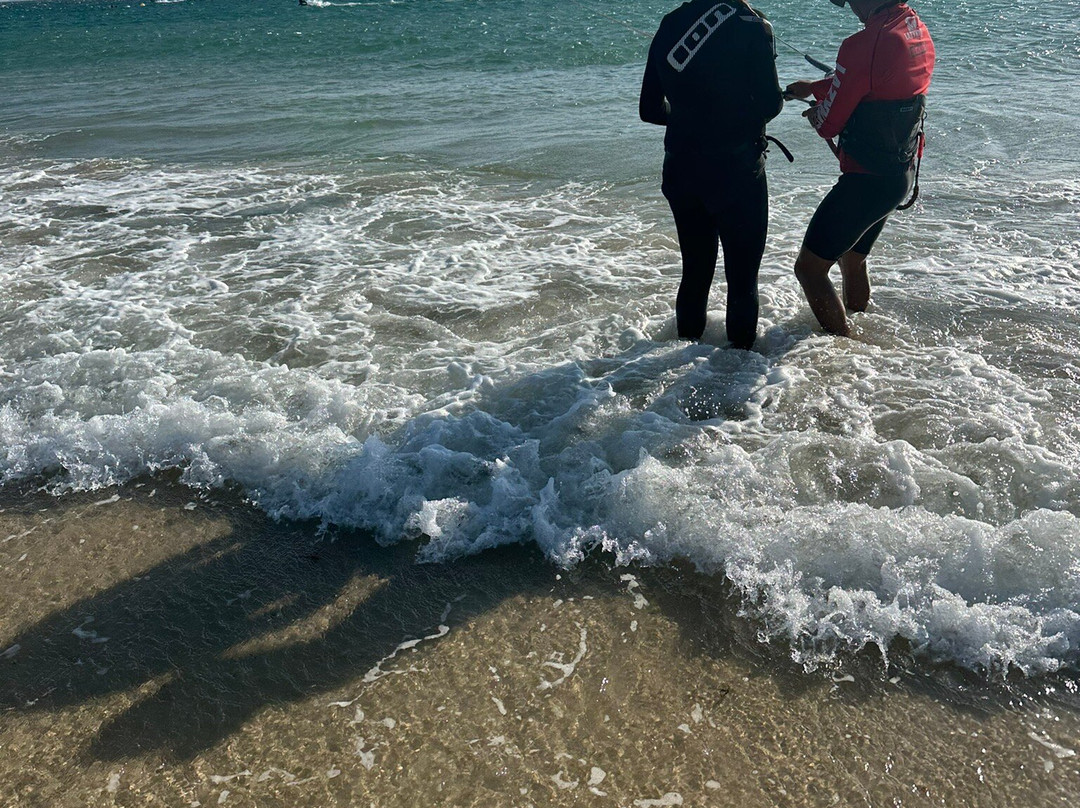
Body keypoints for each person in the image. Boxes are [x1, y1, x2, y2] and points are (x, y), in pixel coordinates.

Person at [639, 0, 784, 350]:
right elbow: (771, 104)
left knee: (695, 273)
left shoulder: (670, 21)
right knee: (742, 281)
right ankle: (734, 382)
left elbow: (649, 109)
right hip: (736, 172)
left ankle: (680, 363)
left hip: (681, 169)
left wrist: (693, 117)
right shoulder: (753, 23)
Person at [785, 0, 935, 336]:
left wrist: (815, 113)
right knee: (853, 258)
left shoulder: (861, 44)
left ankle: (847, 348)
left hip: (868, 180)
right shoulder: (914, 28)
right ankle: (863, 350)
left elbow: (828, 123)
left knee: (809, 269)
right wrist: (814, 89)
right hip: (900, 173)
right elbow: (876, 78)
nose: (850, 6)